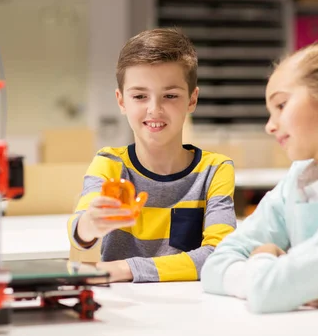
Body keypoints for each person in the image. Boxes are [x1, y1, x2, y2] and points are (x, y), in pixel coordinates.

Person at [201, 41, 318, 313]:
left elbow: (267, 291)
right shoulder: (299, 179)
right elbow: (215, 266)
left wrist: (265, 257)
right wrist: (301, 287)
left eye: (281, 105)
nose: (270, 125)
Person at [67, 28, 237, 283]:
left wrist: (127, 269)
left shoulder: (215, 170)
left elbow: (220, 256)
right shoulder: (110, 164)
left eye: (170, 96)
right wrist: (90, 223)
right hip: (126, 310)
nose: (154, 109)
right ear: (122, 101)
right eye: (139, 96)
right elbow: (79, 230)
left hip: (195, 309)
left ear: (192, 100)